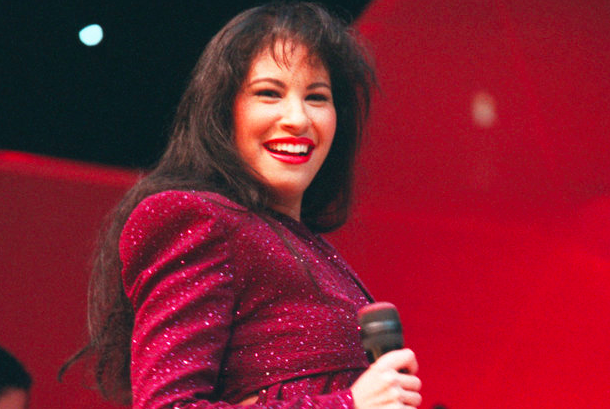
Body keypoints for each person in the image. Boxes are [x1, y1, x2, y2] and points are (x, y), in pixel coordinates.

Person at [63, 2, 422, 408]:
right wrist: (347, 404)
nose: (297, 118)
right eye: (269, 93)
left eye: (317, 97)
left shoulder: (312, 250)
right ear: (222, 110)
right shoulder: (196, 218)